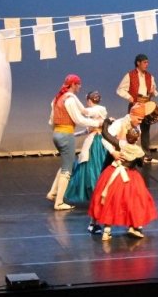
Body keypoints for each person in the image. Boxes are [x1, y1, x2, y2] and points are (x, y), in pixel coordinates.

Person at [89, 123, 158, 241]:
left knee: (110, 200)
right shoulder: (139, 151)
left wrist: (106, 122)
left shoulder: (120, 144)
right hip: (129, 176)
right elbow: (140, 165)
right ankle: (133, 225)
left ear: (126, 136)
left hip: (113, 173)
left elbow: (106, 135)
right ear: (137, 139)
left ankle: (107, 230)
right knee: (132, 200)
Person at [46, 74, 103, 211]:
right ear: (73, 84)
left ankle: (53, 192)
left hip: (57, 133)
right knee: (67, 169)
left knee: (67, 163)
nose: (80, 86)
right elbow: (79, 119)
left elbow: (51, 120)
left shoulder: (58, 98)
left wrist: (58, 131)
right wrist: (97, 122)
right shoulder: (70, 99)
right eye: (78, 84)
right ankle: (59, 202)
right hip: (66, 134)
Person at [65, 90, 110, 232]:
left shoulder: (99, 109)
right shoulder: (96, 111)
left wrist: (73, 97)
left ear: (88, 99)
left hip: (96, 142)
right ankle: (95, 193)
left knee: (93, 166)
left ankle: (98, 192)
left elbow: (84, 112)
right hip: (92, 139)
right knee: (87, 165)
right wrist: (75, 134)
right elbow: (88, 129)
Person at [116, 53, 158, 164]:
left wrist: (152, 92)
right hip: (135, 106)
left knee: (145, 130)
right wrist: (129, 97)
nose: (147, 64)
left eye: (147, 62)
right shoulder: (130, 75)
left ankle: (147, 155)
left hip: (146, 106)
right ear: (138, 63)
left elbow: (155, 92)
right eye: (144, 62)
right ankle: (127, 153)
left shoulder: (150, 76)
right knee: (130, 130)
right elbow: (120, 89)